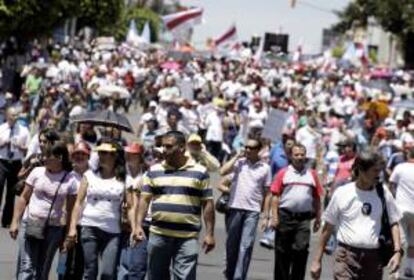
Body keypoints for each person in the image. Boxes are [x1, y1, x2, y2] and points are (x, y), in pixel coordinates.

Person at [134, 130, 215, 280]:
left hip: (187, 237)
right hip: (158, 235)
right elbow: (144, 200)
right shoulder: (154, 171)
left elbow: (208, 204)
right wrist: (138, 225)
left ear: (182, 147)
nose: (164, 150)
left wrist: (210, 234)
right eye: (163, 146)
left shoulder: (200, 172)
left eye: (169, 146)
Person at [310, 149, 403, 280]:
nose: (379, 175)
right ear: (361, 170)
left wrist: (397, 252)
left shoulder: (383, 193)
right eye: (375, 171)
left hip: (374, 259)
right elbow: (327, 228)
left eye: (380, 170)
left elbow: (394, 223)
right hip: (346, 258)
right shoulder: (342, 193)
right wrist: (316, 260)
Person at [9, 142, 77, 280]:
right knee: (27, 266)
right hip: (30, 223)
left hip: (53, 229)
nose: (44, 158)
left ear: (59, 158)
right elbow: (23, 197)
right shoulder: (37, 172)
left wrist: (69, 232)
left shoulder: (70, 179)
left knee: (42, 269)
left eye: (48, 156)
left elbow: (71, 209)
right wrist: (14, 222)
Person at [66, 140, 126, 280]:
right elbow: (78, 203)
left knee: (108, 272)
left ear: (115, 155)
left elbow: (131, 204)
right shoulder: (89, 175)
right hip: (89, 227)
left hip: (113, 231)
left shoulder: (123, 178)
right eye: (100, 153)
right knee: (90, 271)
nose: (101, 156)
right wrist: (73, 228)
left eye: (105, 153)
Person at [220, 138, 272, 280]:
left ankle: (239, 277)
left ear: (258, 150)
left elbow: (268, 194)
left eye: (251, 148)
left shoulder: (265, 168)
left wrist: (266, 215)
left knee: (246, 246)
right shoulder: (239, 163)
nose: (248, 150)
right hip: (235, 209)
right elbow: (222, 171)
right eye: (246, 147)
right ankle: (229, 275)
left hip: (253, 211)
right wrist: (236, 156)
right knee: (232, 246)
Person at [270, 143, 323, 280]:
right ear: (290, 156)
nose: (299, 157)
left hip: (303, 219)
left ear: (305, 156)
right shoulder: (283, 173)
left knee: (301, 249)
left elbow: (317, 198)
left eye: (302, 154)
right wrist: (274, 217)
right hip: (285, 217)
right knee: (282, 252)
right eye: (296, 155)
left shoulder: (312, 174)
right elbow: (275, 196)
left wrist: (318, 218)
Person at [61, 141, 91, 280]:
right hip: (68, 223)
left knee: (81, 261)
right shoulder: (68, 177)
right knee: (65, 257)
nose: (79, 157)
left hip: (86, 224)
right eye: (76, 154)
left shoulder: (94, 176)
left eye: (83, 154)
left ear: (88, 156)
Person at [118, 143, 147, 280]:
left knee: (133, 261)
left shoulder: (146, 173)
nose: (129, 156)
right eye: (127, 154)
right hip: (121, 220)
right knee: (121, 261)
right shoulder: (120, 172)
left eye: (133, 154)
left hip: (139, 221)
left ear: (140, 156)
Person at [0, 106, 30, 228]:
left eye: (17, 115)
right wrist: (3, 143)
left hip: (15, 163)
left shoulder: (23, 130)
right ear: (7, 116)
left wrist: (21, 147)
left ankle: (6, 220)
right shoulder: (1, 128)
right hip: (2, 162)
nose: (15, 117)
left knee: (11, 193)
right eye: (13, 115)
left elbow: (27, 149)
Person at [389, 145, 414, 278]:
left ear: (408, 155)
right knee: (412, 242)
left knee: (399, 242)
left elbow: (391, 184)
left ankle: (396, 271)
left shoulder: (400, 167)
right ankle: (410, 268)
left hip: (401, 209)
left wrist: (393, 200)